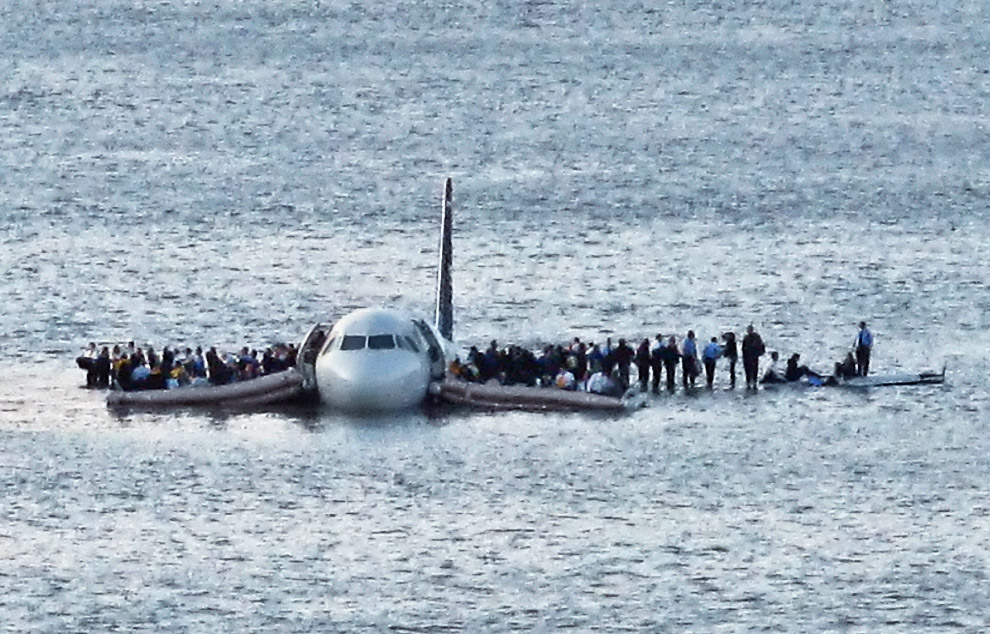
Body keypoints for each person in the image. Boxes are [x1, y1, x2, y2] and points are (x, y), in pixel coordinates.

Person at [741, 324, 766, 389]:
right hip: (747, 356)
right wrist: (743, 356)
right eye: (748, 330)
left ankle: (754, 381)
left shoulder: (756, 337)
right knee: (747, 369)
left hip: (754, 355)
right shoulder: (746, 337)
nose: (749, 331)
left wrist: (761, 352)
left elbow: (761, 345)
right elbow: (743, 347)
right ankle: (748, 382)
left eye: (750, 330)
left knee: (754, 369)